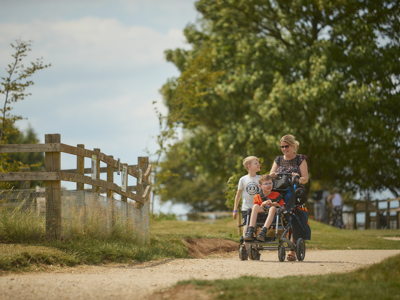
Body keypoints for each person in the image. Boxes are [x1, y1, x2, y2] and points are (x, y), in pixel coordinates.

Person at [269, 134, 309, 261]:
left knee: (293, 218)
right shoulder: (278, 159)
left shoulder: (300, 159)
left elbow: (306, 179)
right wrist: (273, 175)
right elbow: (271, 174)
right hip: (280, 191)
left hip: (295, 191)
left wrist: (297, 177)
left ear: (293, 146)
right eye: (282, 147)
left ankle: (292, 251)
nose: (284, 149)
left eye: (286, 146)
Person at [244, 174, 285, 242]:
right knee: (255, 206)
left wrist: (277, 205)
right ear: (260, 186)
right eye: (266, 184)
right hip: (262, 213)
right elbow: (257, 208)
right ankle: (250, 230)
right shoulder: (257, 196)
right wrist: (262, 205)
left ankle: (263, 231)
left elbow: (283, 208)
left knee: (272, 208)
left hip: (273, 214)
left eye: (270, 183)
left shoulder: (277, 195)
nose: (268, 185)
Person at [232, 156, 261, 246]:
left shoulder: (260, 178)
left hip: (258, 208)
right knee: (246, 228)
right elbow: (238, 195)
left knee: (257, 228)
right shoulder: (243, 179)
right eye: (256, 163)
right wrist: (235, 209)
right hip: (246, 208)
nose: (258, 164)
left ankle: (255, 247)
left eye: (258, 163)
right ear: (249, 166)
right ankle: (245, 248)